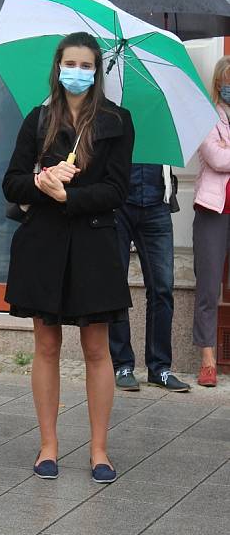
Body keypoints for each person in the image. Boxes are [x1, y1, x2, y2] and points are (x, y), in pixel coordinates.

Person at [3, 31, 134, 484]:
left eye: (85, 65)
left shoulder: (117, 121)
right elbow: (11, 182)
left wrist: (67, 195)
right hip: (43, 245)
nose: (76, 72)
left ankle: (99, 449)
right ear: (57, 67)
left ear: (96, 71)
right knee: (46, 345)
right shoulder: (37, 119)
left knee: (97, 349)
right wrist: (41, 183)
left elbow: (117, 191)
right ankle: (48, 445)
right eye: (69, 63)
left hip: (94, 246)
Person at [108, 162, 191, 393]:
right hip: (118, 203)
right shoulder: (113, 123)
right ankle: (122, 365)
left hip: (157, 202)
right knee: (116, 287)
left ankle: (159, 367)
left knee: (162, 288)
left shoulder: (162, 125)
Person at [191, 55, 230, 388]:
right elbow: (216, 159)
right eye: (229, 79)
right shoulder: (206, 117)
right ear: (219, 83)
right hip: (213, 212)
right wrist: (222, 149)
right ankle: (207, 358)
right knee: (207, 287)